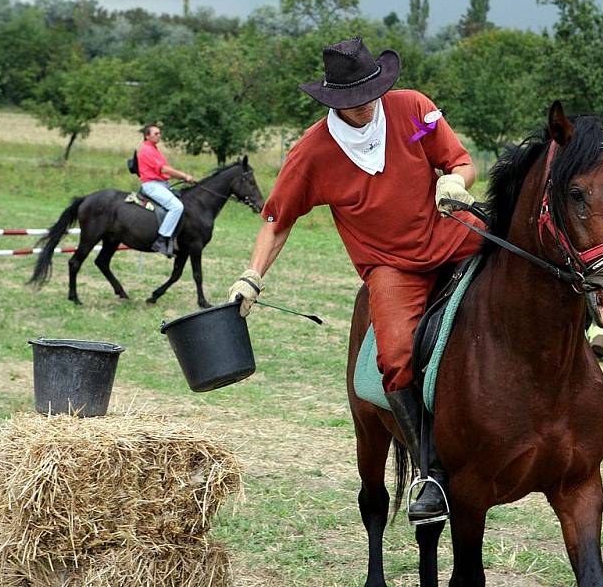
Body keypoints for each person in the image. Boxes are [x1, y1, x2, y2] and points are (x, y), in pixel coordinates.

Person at [227, 37, 483, 523]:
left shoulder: (413, 109)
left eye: (369, 95)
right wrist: (251, 277)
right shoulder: (312, 153)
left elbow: (461, 161)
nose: (363, 107)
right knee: (394, 357)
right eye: (351, 101)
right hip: (390, 266)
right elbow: (277, 220)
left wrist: (456, 181)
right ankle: (431, 471)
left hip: (453, 232)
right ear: (332, 100)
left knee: (530, 268)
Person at [137, 124, 194, 257]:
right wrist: (184, 175)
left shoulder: (154, 149)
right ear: (147, 136)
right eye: (155, 133)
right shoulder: (147, 150)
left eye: (159, 133)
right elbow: (164, 169)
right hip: (152, 185)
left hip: (161, 184)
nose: (159, 135)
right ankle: (161, 240)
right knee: (176, 207)